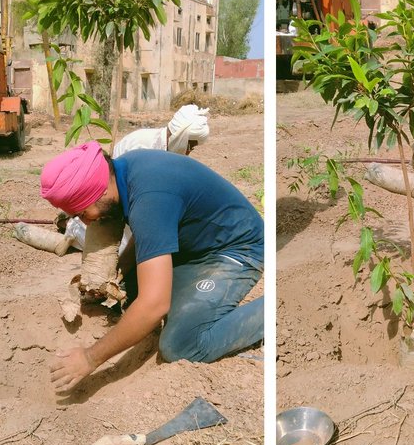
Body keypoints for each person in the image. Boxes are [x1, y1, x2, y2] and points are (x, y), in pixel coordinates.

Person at [41, 140, 263, 392]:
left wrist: (90, 357)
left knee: (180, 344)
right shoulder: (125, 172)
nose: (88, 223)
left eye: (83, 213)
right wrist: (119, 274)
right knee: (131, 291)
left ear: (99, 192)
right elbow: (149, 232)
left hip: (236, 249)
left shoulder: (151, 196)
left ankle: (270, 311)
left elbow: (154, 305)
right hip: (194, 245)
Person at [63, 104, 211, 253]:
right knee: (126, 250)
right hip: (123, 203)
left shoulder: (169, 151)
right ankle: (74, 228)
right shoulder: (142, 145)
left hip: (141, 205)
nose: (189, 151)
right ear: (181, 138)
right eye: (190, 145)